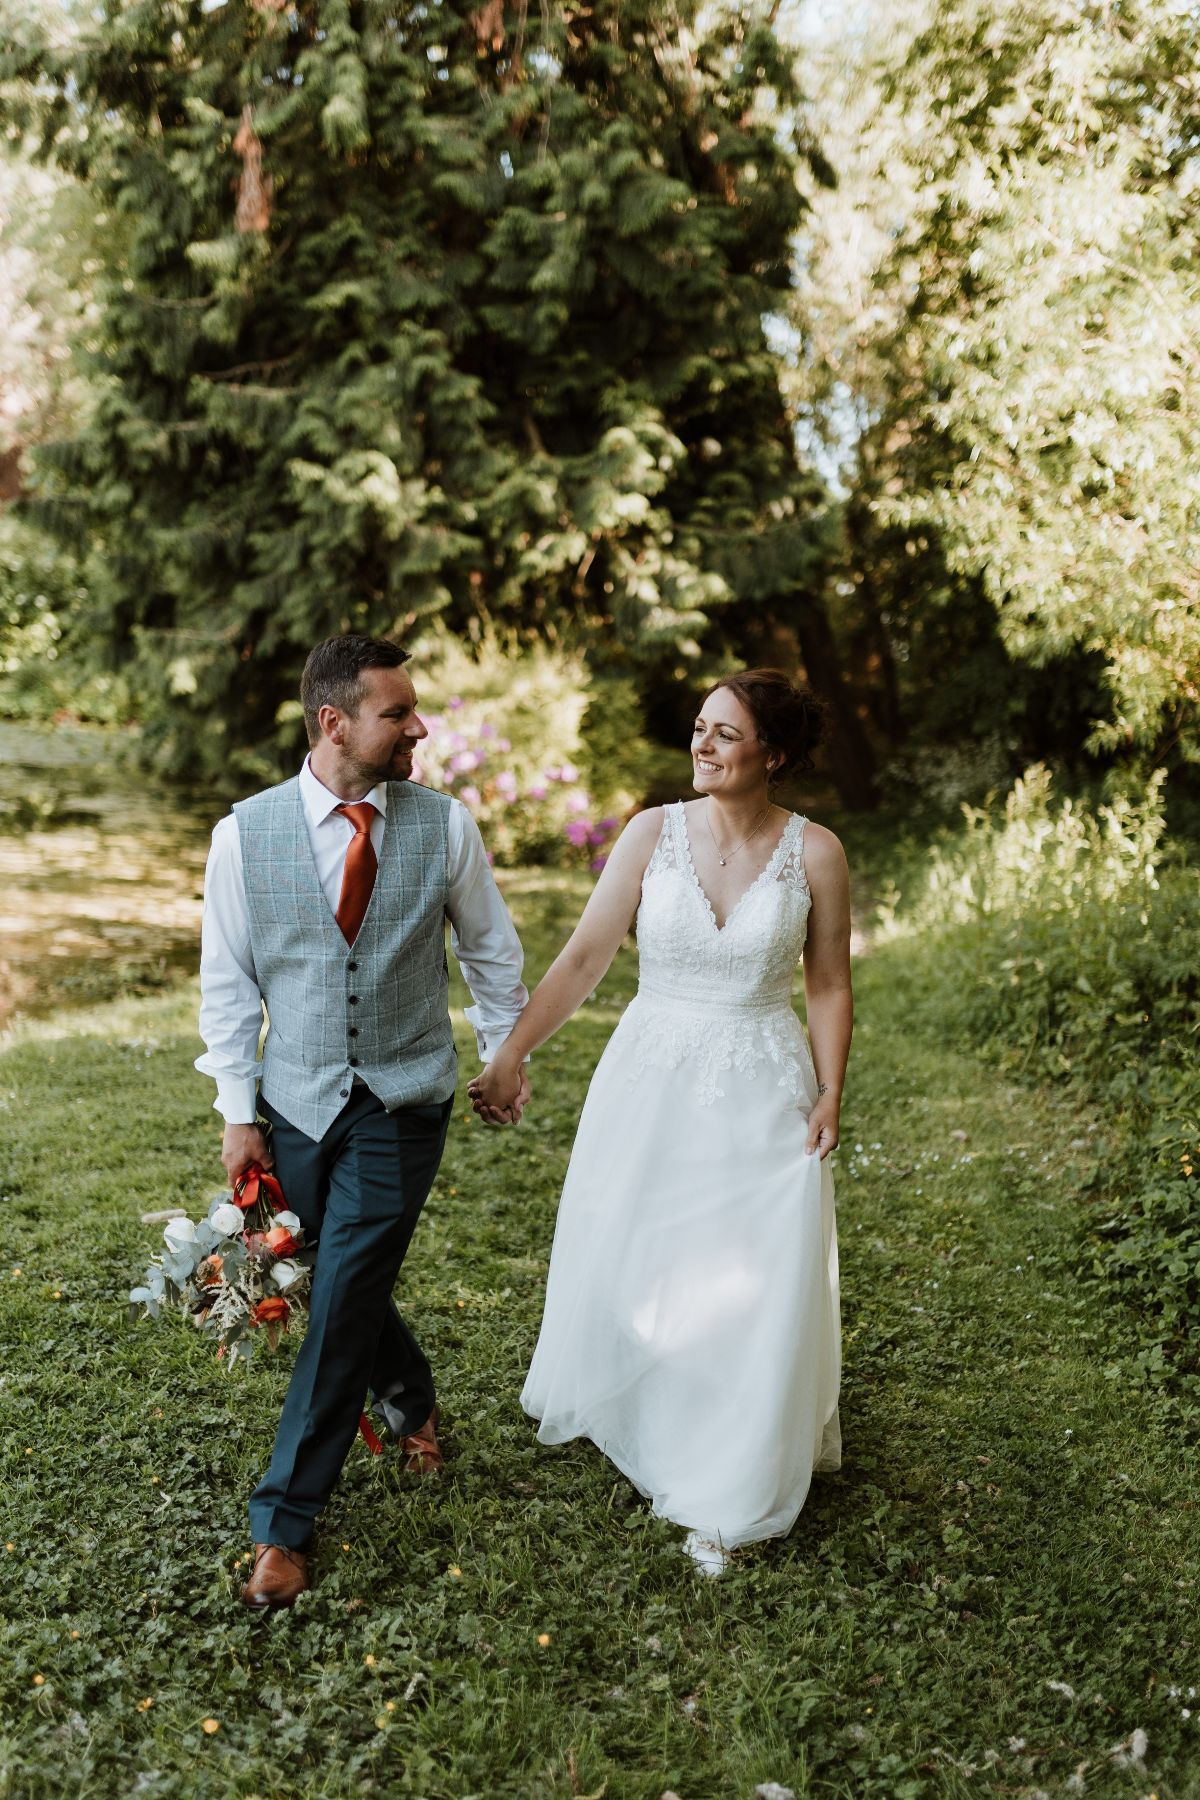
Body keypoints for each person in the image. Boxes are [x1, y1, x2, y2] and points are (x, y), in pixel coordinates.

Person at [469, 669, 850, 1575]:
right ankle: (654, 1406)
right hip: (650, 1072)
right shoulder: (652, 833)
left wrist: (831, 1088)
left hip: (763, 1080)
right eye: (700, 727)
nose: (703, 745)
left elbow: (829, 982)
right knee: (650, 1251)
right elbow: (584, 958)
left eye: (727, 733)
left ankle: (730, 1468)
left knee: (752, 1268)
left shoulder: (817, 852)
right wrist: (512, 1051)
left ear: (774, 754)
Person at [196, 633, 530, 1610]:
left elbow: (492, 954)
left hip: (403, 1098)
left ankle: (283, 1525)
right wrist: (238, 1113)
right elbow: (228, 985)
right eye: (398, 713)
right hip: (294, 1100)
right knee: (336, 1276)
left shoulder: (445, 827)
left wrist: (504, 1055)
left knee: (341, 1294)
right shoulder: (243, 836)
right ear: (335, 723)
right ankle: (412, 1399)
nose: (419, 727)